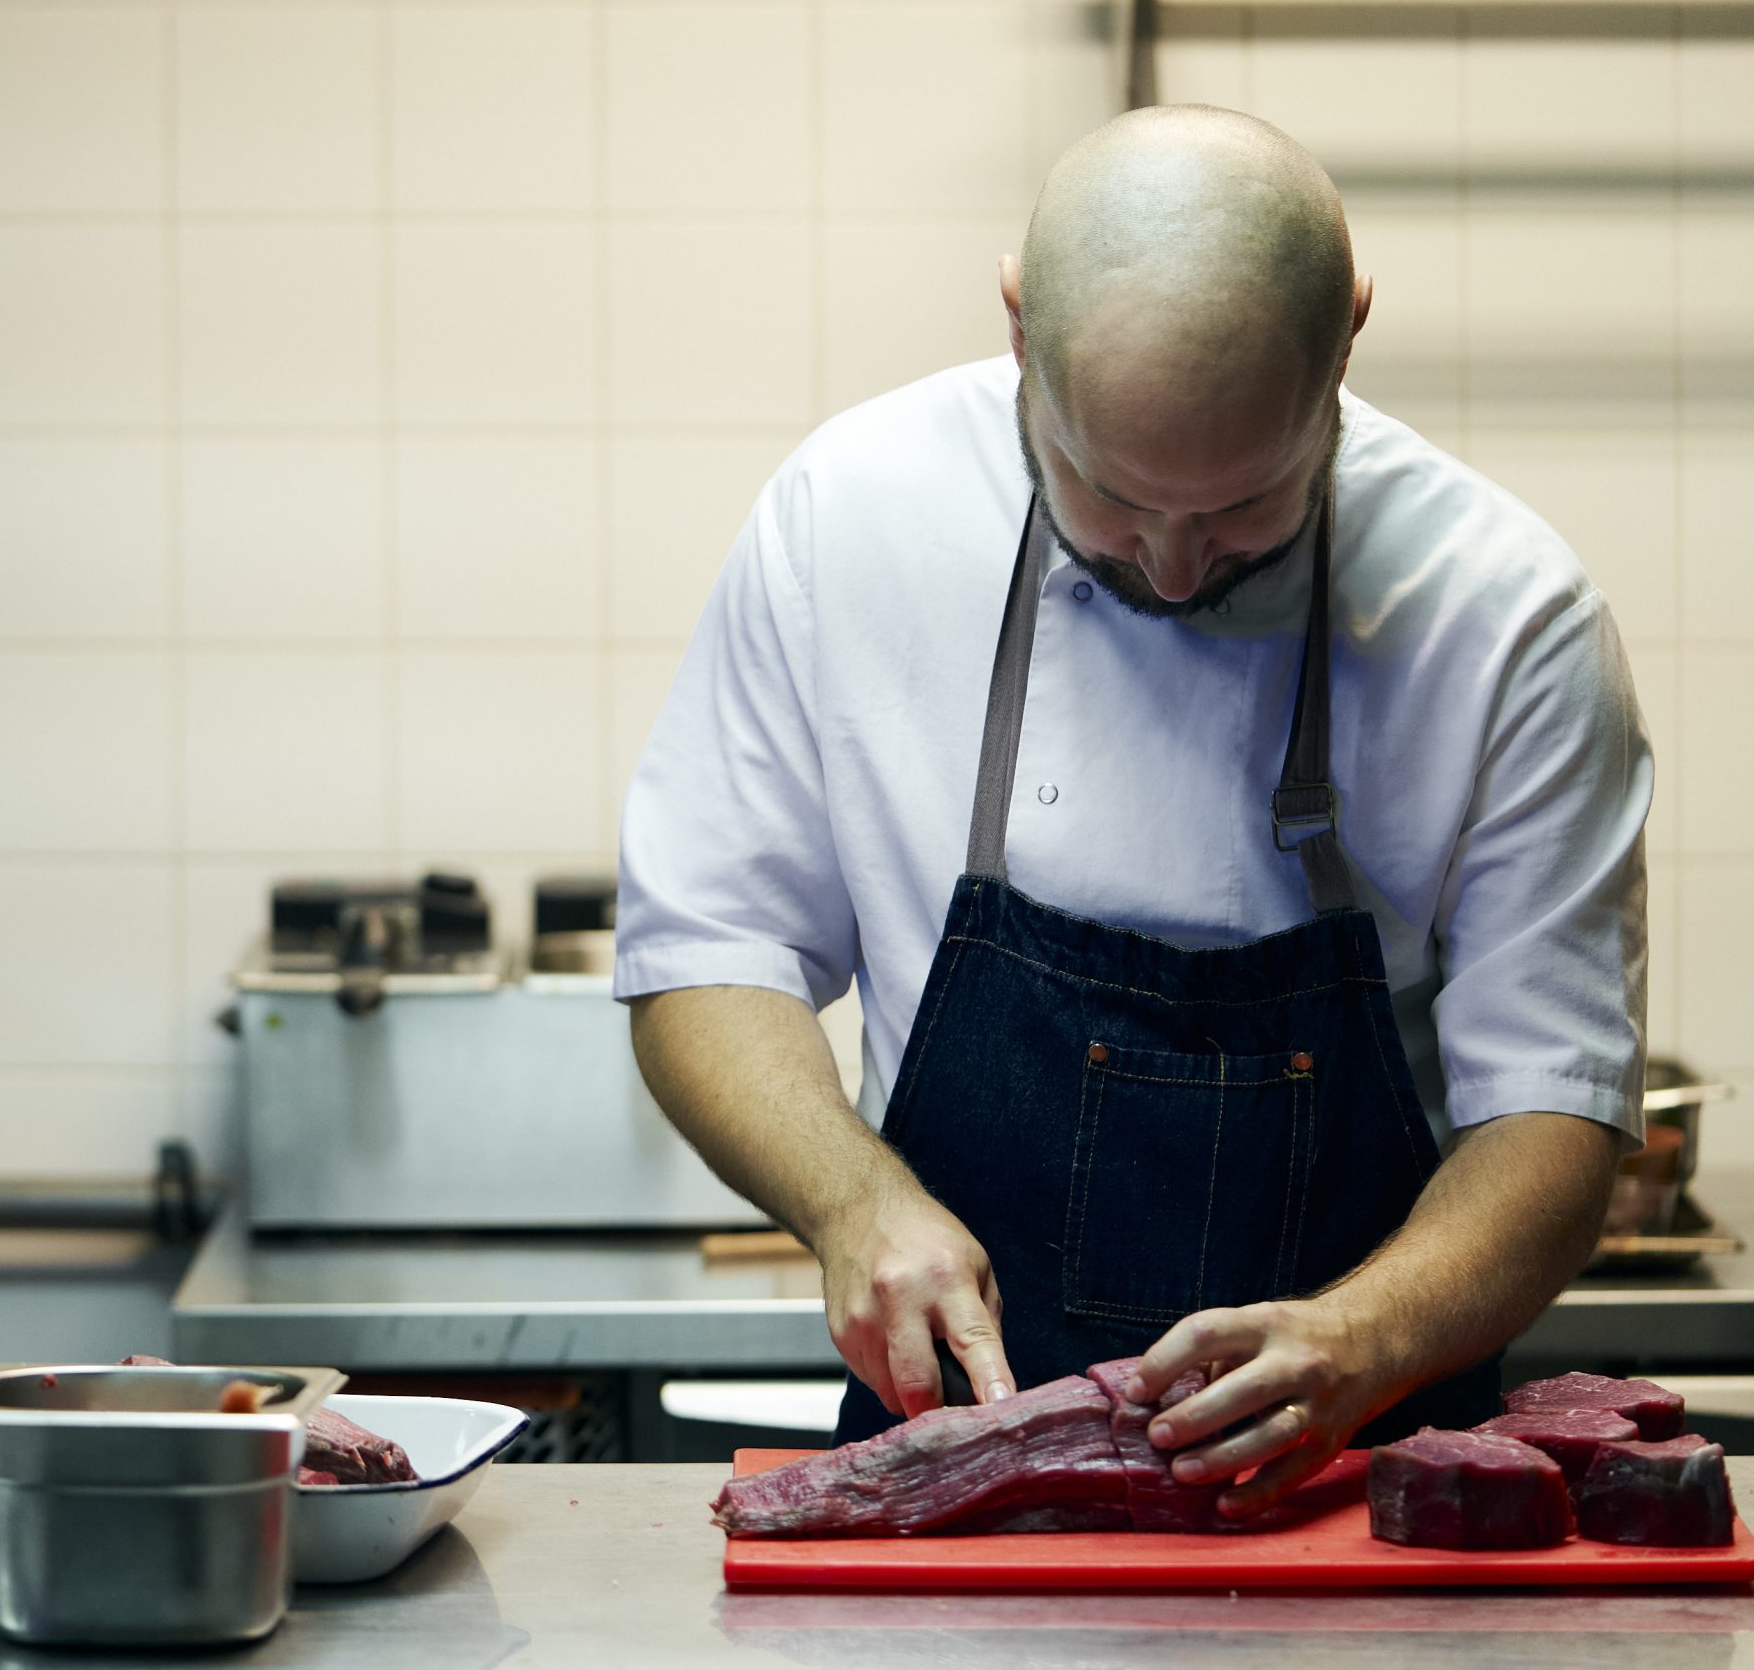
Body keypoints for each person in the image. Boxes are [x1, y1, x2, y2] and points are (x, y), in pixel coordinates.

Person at [614, 105, 1647, 1520]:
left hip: (1363, 1492)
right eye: (1104, 492)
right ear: (1020, 323)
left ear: (1348, 335)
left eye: (1244, 507)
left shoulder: (1508, 619)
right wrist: (849, 1198)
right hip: (948, 1475)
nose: (1170, 565)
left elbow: (1554, 1111)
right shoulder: (848, 518)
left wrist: (1364, 1337)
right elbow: (707, 950)